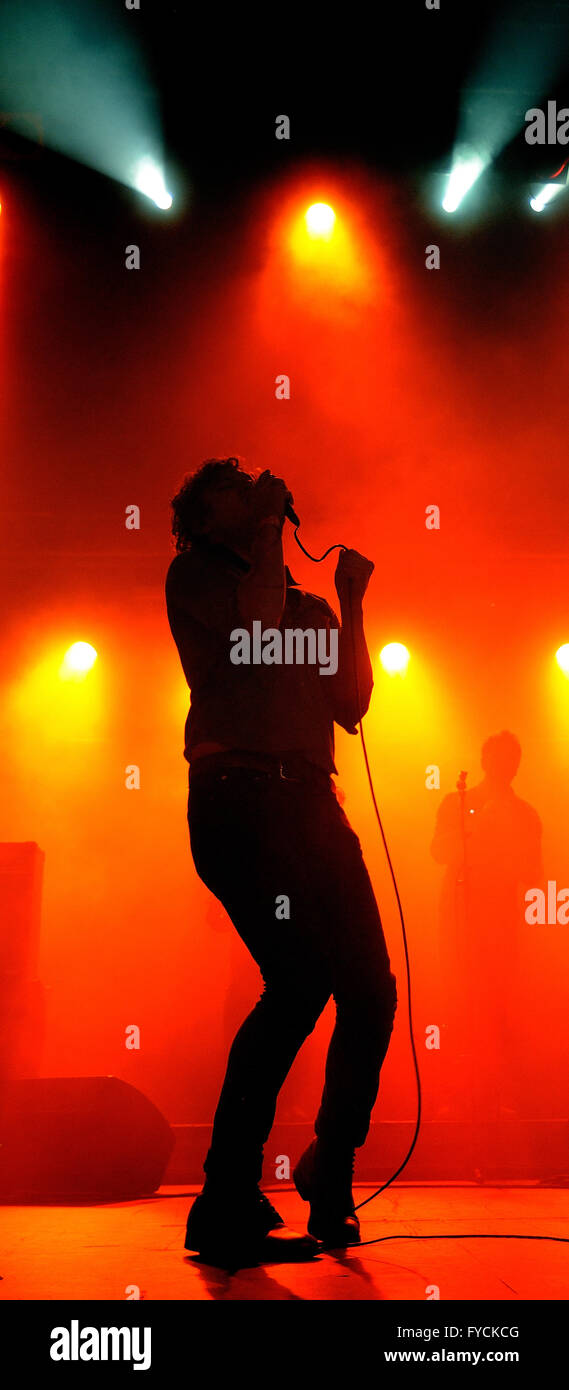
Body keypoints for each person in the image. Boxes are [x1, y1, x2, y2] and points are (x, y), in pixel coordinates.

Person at [165, 456, 398, 1267]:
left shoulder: (302, 601)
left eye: (259, 495)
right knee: (298, 984)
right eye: (235, 493)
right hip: (241, 802)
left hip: (311, 804)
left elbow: (351, 705)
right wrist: (267, 526)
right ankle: (223, 1194)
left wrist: (351, 604)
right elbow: (254, 630)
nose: (258, 497)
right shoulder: (192, 575)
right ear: (202, 516)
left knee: (371, 990)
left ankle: (330, 1167)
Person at [430, 731, 544, 1119]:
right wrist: (476, 831)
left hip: (501, 924)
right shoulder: (458, 802)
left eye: (510, 759)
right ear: (483, 761)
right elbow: (438, 851)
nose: (503, 766)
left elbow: (533, 872)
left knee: (498, 1009)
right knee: (457, 1004)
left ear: (517, 766)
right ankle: (454, 1097)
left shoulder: (526, 814)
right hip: (460, 921)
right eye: (496, 758)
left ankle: (495, 1098)